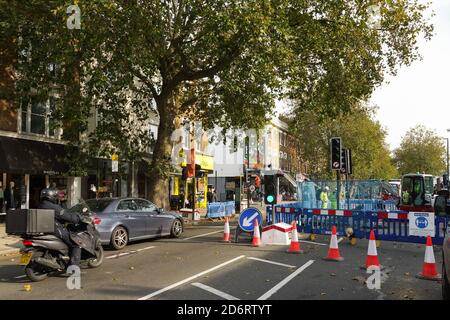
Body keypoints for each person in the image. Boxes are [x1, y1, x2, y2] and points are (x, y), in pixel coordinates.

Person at [38, 187, 82, 268]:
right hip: (56, 229)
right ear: (51, 197)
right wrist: (78, 218)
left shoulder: (40, 205)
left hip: (45, 229)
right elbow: (67, 216)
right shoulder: (53, 207)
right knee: (75, 244)